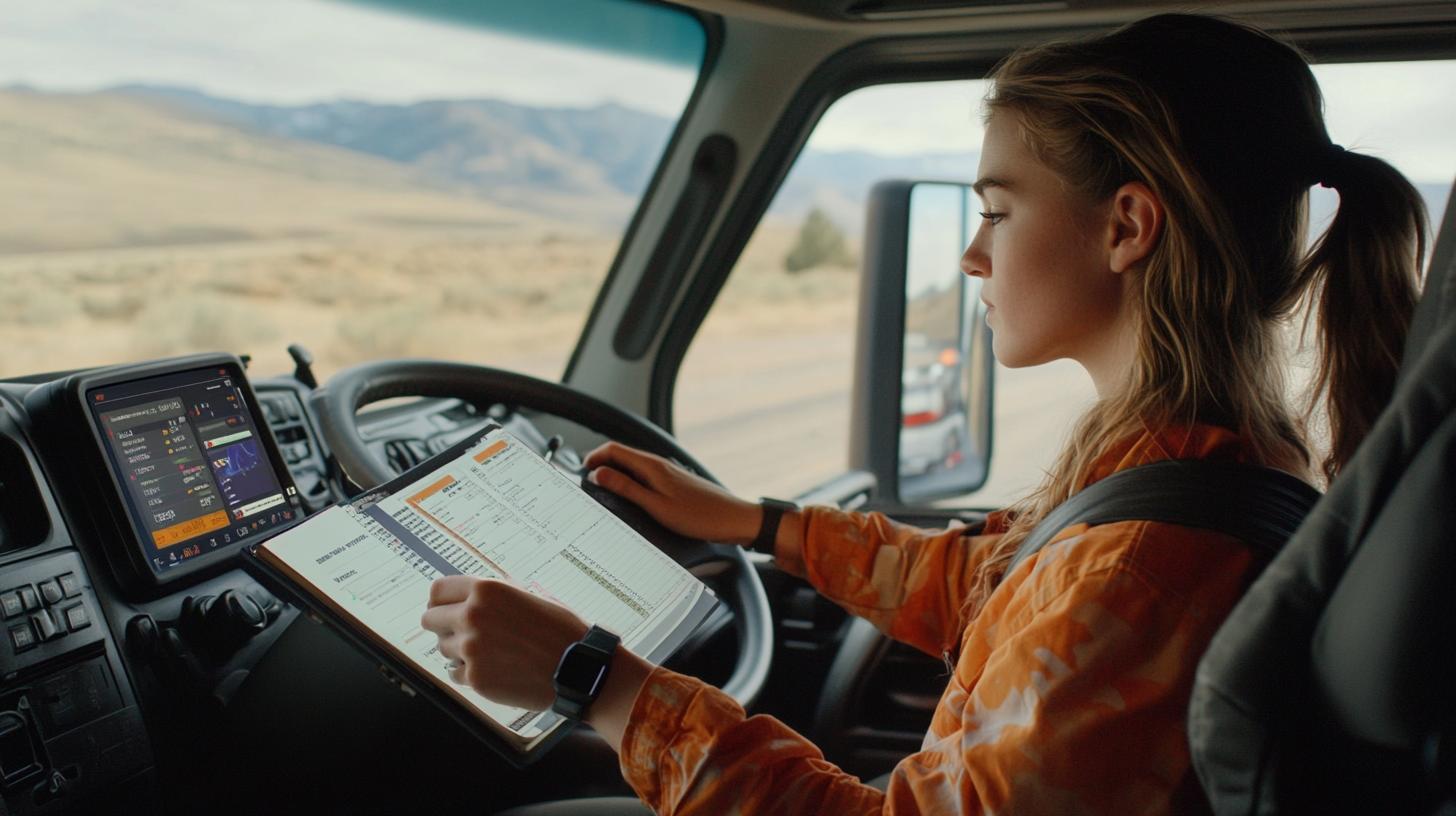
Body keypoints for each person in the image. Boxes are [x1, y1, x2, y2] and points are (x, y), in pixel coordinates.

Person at [420, 13, 1427, 814]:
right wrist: (759, 524)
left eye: (996, 209)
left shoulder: (1145, 564)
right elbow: (996, 585)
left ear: (1126, 226)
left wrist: (593, 678)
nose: (971, 253)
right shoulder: (1205, 461)